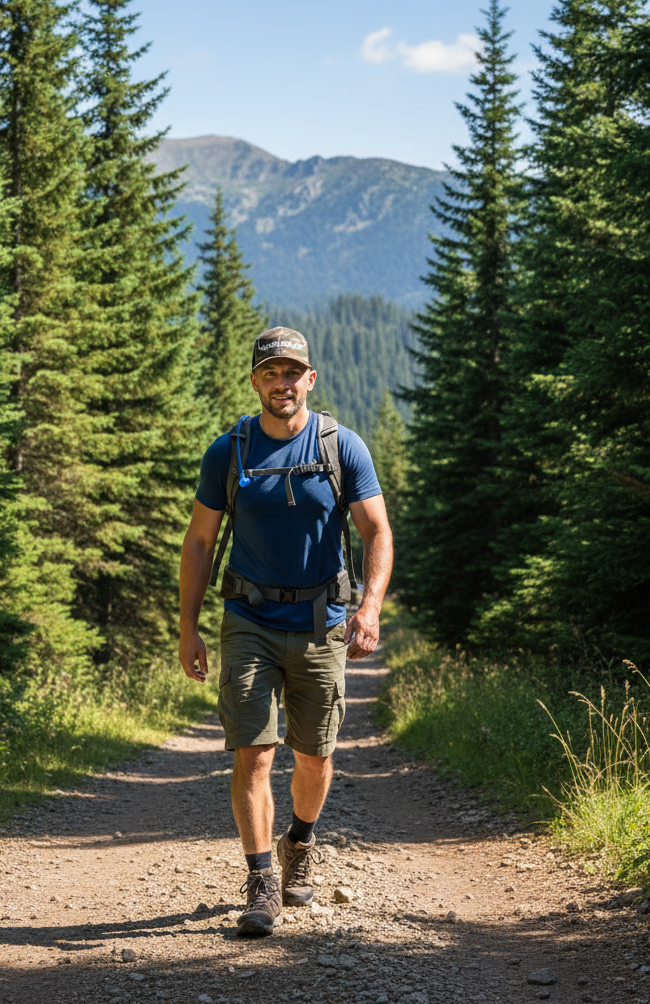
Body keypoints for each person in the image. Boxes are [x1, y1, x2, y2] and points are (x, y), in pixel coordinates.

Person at [178, 326, 393, 937]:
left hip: (323, 622)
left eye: (292, 372)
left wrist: (369, 607)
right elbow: (198, 542)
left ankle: (300, 839)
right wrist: (189, 628)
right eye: (270, 373)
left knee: (314, 755)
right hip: (248, 619)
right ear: (255, 381)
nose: (282, 383)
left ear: (310, 379)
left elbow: (377, 531)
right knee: (254, 750)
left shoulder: (342, 447)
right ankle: (262, 877)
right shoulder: (231, 450)